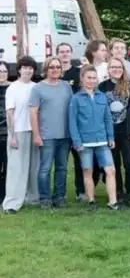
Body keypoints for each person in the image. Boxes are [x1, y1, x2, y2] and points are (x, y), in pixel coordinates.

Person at [69, 65, 118, 210]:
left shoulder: (101, 96)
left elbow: (107, 119)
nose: (91, 81)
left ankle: (113, 202)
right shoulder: (76, 99)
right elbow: (72, 122)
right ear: (82, 79)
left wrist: (111, 137)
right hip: (85, 143)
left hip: (102, 140)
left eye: (94, 78)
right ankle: (91, 200)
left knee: (111, 170)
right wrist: (77, 142)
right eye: (88, 78)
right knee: (87, 171)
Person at [30, 57, 72, 209]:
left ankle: (59, 197)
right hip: (46, 136)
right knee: (45, 169)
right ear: (46, 69)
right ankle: (45, 198)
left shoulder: (66, 86)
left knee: (62, 168)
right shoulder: (38, 88)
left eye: (58, 67)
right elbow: (33, 112)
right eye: (52, 67)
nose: (55, 70)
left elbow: (72, 110)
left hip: (65, 136)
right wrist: (36, 134)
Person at [100, 58, 130, 208]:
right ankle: (118, 193)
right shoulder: (103, 87)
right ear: (108, 69)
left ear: (123, 69)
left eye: (119, 67)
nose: (116, 69)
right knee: (114, 164)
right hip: (110, 132)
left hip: (127, 131)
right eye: (113, 67)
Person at [2, 57, 39, 213]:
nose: (28, 71)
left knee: (34, 166)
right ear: (19, 69)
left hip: (34, 131)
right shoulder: (13, 88)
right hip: (18, 131)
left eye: (31, 68)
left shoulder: (36, 87)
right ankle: (12, 203)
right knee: (16, 168)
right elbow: (10, 113)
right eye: (25, 68)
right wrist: (13, 136)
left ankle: (32, 197)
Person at [57, 42, 84, 201]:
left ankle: (80, 191)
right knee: (60, 163)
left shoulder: (78, 72)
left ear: (71, 53)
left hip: (77, 123)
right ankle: (59, 193)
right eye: (62, 51)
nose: (65, 54)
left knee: (80, 160)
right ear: (57, 54)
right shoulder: (54, 73)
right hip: (59, 123)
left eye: (67, 51)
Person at [0, 61, 8, 203]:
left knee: (8, 167)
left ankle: (5, 196)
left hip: (8, 134)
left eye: (4, 71)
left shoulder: (12, 88)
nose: (2, 74)